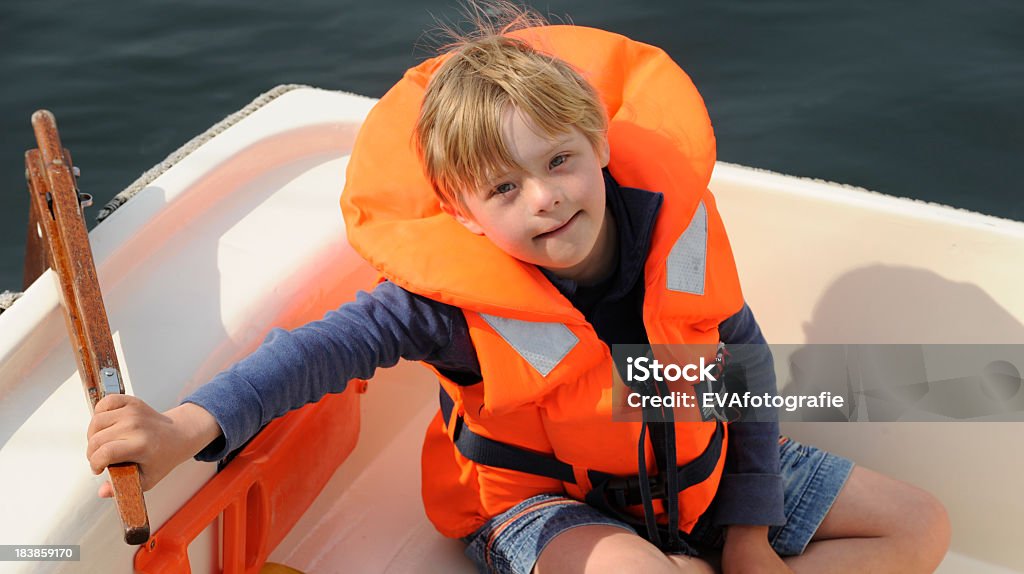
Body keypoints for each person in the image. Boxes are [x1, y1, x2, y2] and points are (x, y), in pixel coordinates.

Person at [86, 5, 950, 573]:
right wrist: (181, 428)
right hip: (543, 506)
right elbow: (316, 354)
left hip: (698, 478)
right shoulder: (446, 303)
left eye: (559, 161)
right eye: (502, 189)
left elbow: (745, 375)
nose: (545, 197)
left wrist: (752, 538)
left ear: (599, 146)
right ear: (461, 216)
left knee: (918, 525)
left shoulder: (674, 240)